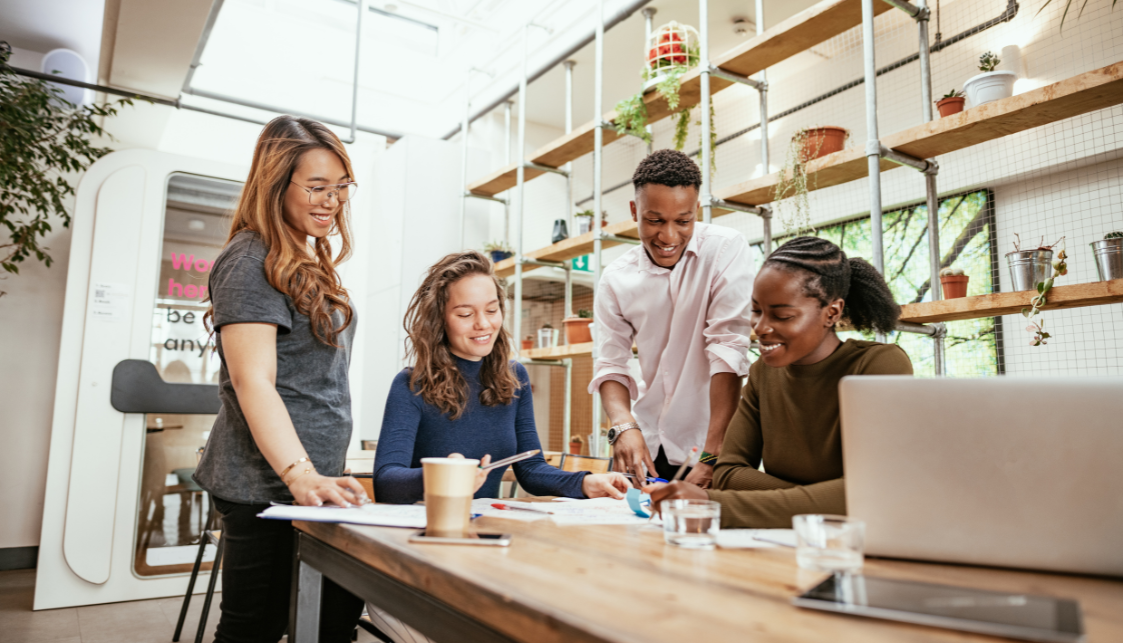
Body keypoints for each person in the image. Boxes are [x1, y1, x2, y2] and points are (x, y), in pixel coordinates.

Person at [193, 115, 367, 643]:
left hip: (307, 480)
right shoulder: (251, 262)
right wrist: (299, 475)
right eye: (316, 187)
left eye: (340, 188)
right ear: (275, 184)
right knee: (255, 628)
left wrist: (317, 474)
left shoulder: (302, 259)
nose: (330, 201)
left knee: (331, 616)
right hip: (264, 485)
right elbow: (254, 382)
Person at [646, 236, 914, 527]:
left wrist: (716, 505)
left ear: (832, 313)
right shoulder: (763, 373)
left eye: (783, 315)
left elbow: (873, 492)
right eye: (757, 310)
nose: (760, 328)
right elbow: (726, 472)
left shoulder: (879, 365)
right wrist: (830, 500)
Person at [375, 250, 630, 504]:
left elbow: (531, 470)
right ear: (439, 319)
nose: (483, 324)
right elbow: (386, 483)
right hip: (428, 528)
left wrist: (584, 482)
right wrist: (443, 476)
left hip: (487, 527)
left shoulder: (513, 377)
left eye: (491, 310)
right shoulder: (411, 385)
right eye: (465, 314)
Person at [591, 149, 754, 488]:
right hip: (646, 444)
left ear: (696, 210)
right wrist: (623, 425)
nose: (668, 237)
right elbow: (610, 363)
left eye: (683, 221)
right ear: (635, 211)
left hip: (712, 446)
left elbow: (729, 349)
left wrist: (712, 455)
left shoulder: (726, 250)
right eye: (654, 221)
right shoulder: (616, 278)